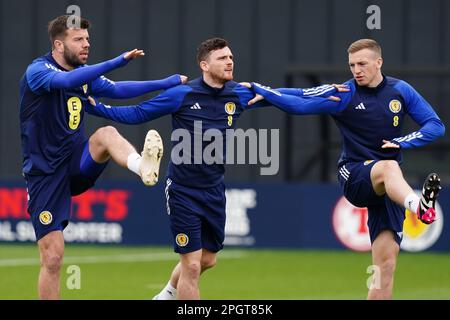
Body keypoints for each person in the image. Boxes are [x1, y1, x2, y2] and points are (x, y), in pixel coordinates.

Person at [84, 37, 346, 299]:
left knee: (208, 259)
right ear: (204, 65)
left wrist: (323, 91)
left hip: (214, 190)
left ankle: (164, 295)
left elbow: (286, 96)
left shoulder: (240, 93)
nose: (230, 61)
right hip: (183, 190)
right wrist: (99, 108)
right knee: (192, 264)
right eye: (222, 58)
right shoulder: (182, 94)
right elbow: (137, 113)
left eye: (231, 57)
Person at [242, 38, 445, 299]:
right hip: (355, 175)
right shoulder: (344, 93)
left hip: (389, 189)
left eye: (362, 63)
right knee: (388, 167)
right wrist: (265, 93)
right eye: (351, 65)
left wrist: (401, 141)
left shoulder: (401, 91)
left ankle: (418, 207)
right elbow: (301, 100)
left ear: (378, 62)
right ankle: (420, 207)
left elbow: (435, 125)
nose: (356, 70)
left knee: (384, 268)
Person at [19, 14, 186, 299]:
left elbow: (118, 90)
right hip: (45, 175)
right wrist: (117, 61)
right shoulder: (39, 70)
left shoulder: (83, 73)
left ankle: (141, 165)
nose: (86, 45)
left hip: (76, 163)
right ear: (58, 45)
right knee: (53, 257)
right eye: (79, 40)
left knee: (106, 133)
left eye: (88, 40)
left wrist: (166, 82)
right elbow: (67, 80)